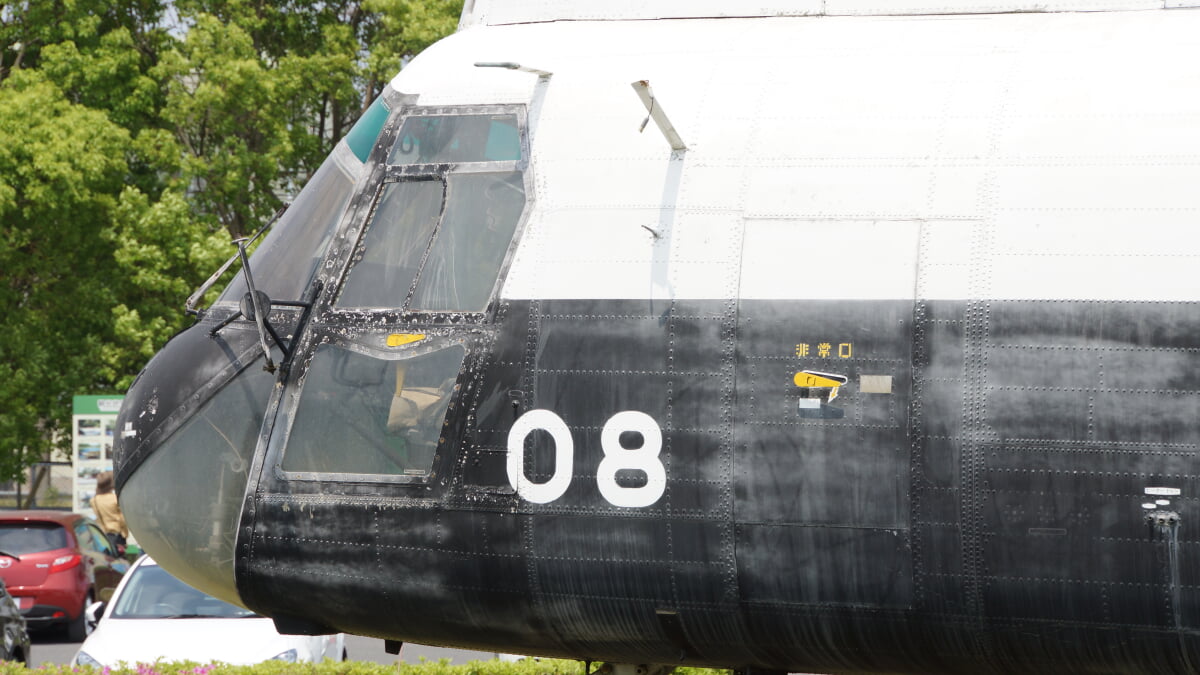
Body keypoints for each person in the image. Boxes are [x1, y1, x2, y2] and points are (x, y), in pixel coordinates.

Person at [90, 471, 128, 554]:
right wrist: (125, 534)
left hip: (103, 535)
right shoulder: (115, 499)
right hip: (117, 535)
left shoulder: (94, 500)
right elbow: (122, 520)